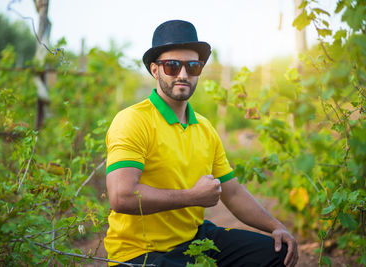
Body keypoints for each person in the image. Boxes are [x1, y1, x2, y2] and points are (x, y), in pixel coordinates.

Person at [104, 20, 298, 267]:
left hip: (195, 240)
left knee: (277, 253)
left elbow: (233, 192)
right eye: (172, 66)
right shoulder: (133, 120)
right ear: (155, 70)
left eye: (193, 66)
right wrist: (191, 196)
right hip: (139, 254)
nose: (183, 74)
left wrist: (277, 227)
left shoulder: (205, 128)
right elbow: (121, 197)